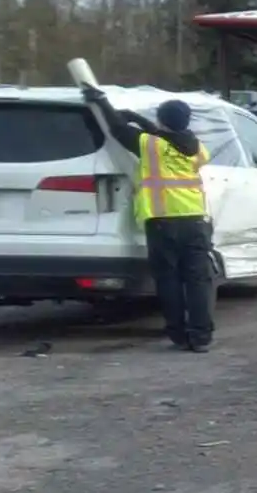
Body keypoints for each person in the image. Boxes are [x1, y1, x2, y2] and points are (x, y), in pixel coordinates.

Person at [83, 87, 215, 351]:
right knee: (198, 280)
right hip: (196, 221)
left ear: (162, 120)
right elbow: (166, 137)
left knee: (168, 279)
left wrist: (101, 101)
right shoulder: (198, 149)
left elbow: (118, 130)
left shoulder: (150, 145)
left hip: (162, 220)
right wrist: (142, 121)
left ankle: (177, 333)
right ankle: (201, 337)